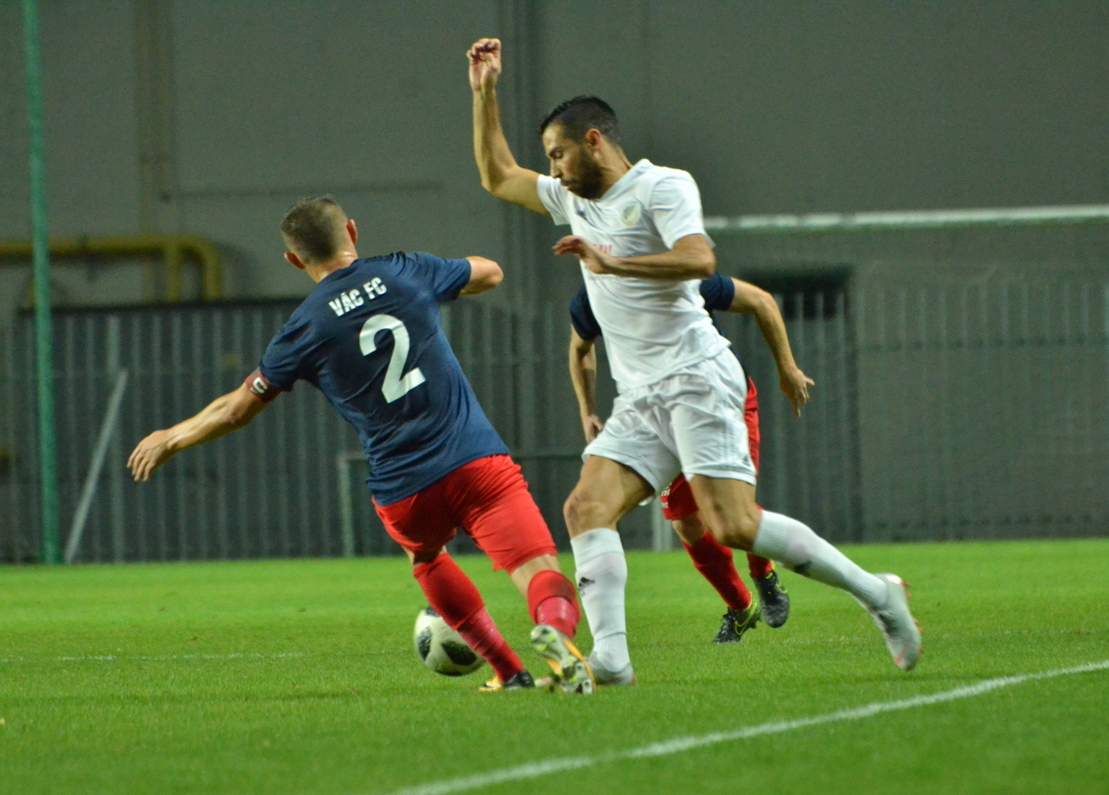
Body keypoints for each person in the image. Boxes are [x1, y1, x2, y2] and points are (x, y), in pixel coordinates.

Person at [468, 37, 922, 684]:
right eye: (550, 158)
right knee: (584, 509)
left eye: (559, 153)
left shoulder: (661, 185)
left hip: (697, 377)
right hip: (642, 396)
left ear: (594, 140)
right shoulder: (570, 198)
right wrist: (484, 92)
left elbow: (699, 258)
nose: (555, 169)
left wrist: (610, 261)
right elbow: (496, 175)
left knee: (733, 525)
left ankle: (879, 593)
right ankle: (613, 658)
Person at [127, 196, 595, 694]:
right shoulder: (405, 271)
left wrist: (170, 437)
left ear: (293, 260)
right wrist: (444, 281)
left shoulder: (303, 328)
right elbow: (490, 273)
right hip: (474, 460)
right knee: (537, 567)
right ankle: (557, 638)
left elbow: (237, 409)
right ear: (352, 230)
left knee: (428, 559)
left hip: (403, 488)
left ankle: (509, 672)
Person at [569, 273, 806, 643]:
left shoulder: (677, 277)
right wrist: (587, 410)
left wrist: (788, 370)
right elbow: (580, 348)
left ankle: (764, 573)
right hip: (663, 414)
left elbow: (761, 300)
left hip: (722, 401)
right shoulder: (593, 297)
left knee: (733, 513)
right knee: (686, 523)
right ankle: (741, 606)